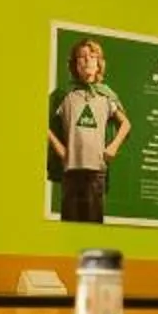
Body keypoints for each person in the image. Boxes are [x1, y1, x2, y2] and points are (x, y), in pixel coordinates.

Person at [47, 38, 129, 224]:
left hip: (96, 172)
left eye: (92, 56)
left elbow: (125, 124)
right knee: (70, 225)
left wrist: (113, 147)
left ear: (99, 63)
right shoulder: (65, 95)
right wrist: (61, 150)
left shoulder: (106, 96)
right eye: (81, 57)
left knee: (93, 226)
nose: (87, 61)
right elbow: (44, 125)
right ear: (75, 64)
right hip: (71, 172)